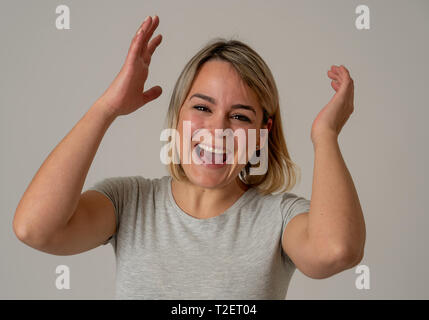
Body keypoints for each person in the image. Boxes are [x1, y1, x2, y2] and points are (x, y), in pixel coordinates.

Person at [13, 15, 366, 299]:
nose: (218, 129)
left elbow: (336, 251)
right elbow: (35, 230)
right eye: (202, 107)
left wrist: (326, 136)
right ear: (178, 115)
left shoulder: (280, 218)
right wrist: (106, 108)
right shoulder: (129, 202)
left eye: (241, 116)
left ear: (263, 131)